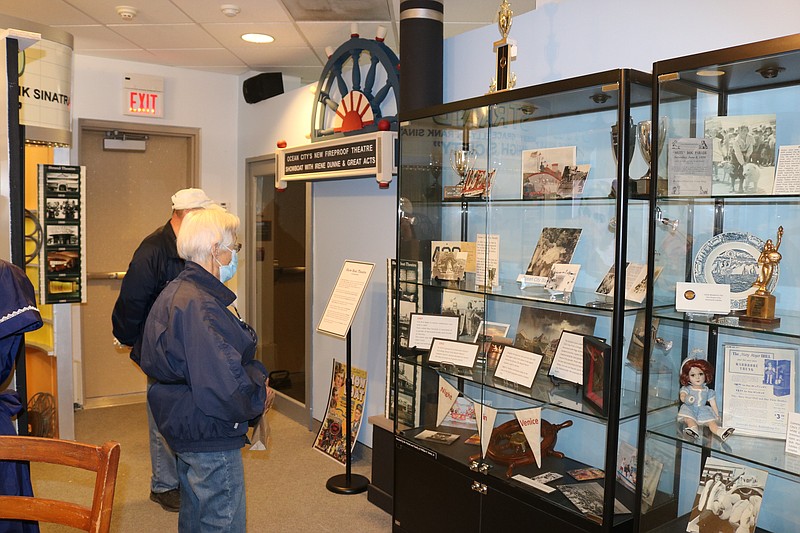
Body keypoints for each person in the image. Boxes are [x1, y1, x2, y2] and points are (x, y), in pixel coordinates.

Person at [140, 208, 274, 533]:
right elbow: (223, 384)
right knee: (221, 517)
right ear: (215, 250)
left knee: (194, 512)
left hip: (183, 421)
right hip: (208, 428)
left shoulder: (177, 292)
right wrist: (259, 397)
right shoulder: (201, 305)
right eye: (235, 247)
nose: (235, 255)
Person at [111, 187, 218, 512]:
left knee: (182, 412)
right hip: (159, 346)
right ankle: (163, 484)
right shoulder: (153, 249)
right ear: (186, 215)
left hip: (184, 344)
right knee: (161, 416)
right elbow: (132, 299)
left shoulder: (190, 245)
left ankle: (179, 477)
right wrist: (129, 337)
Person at [677, 358, 734, 441]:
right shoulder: (688, 389)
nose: (697, 377)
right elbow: (682, 396)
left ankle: (720, 432)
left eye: (700, 374)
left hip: (703, 410)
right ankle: (693, 429)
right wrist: (686, 398)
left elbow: (713, 403)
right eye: (693, 375)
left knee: (711, 422)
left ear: (705, 374)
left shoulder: (708, 391)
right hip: (690, 408)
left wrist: (717, 415)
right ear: (687, 377)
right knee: (689, 419)